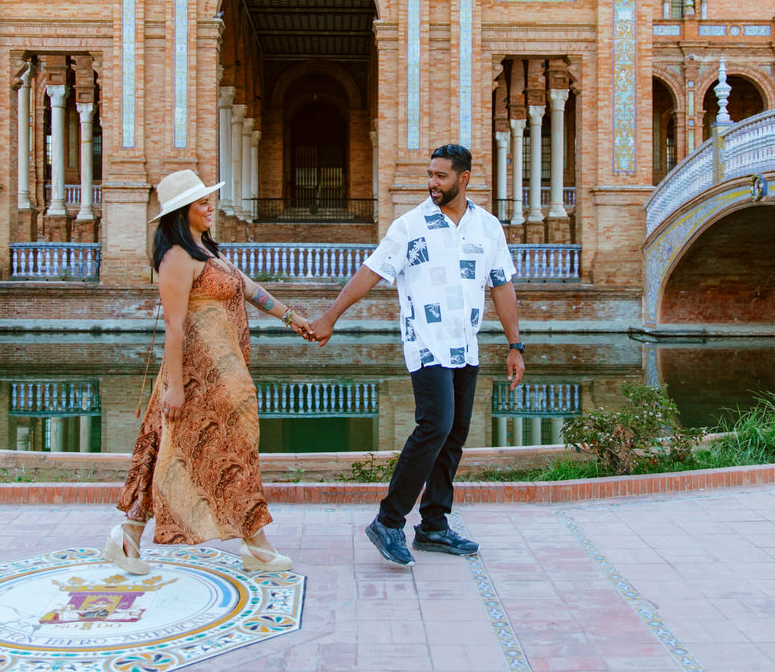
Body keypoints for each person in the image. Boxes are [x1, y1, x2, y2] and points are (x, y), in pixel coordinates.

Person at [308, 144, 525, 566]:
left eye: (441, 176)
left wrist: (515, 345)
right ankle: (389, 521)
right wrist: (330, 316)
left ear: (464, 179)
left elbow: (501, 285)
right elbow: (371, 271)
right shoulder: (410, 226)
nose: (432, 183)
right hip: (427, 341)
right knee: (435, 425)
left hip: (467, 344)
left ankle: (434, 526)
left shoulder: (488, 228)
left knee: (455, 434)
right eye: (430, 174)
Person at [106, 169, 311, 575]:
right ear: (183, 211)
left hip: (225, 377)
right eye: (202, 202)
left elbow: (249, 289)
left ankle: (127, 536)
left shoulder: (206, 251)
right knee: (222, 454)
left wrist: (293, 318)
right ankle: (256, 544)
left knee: (173, 452)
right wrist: (176, 388)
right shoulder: (177, 258)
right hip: (196, 381)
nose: (209, 206)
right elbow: (175, 327)